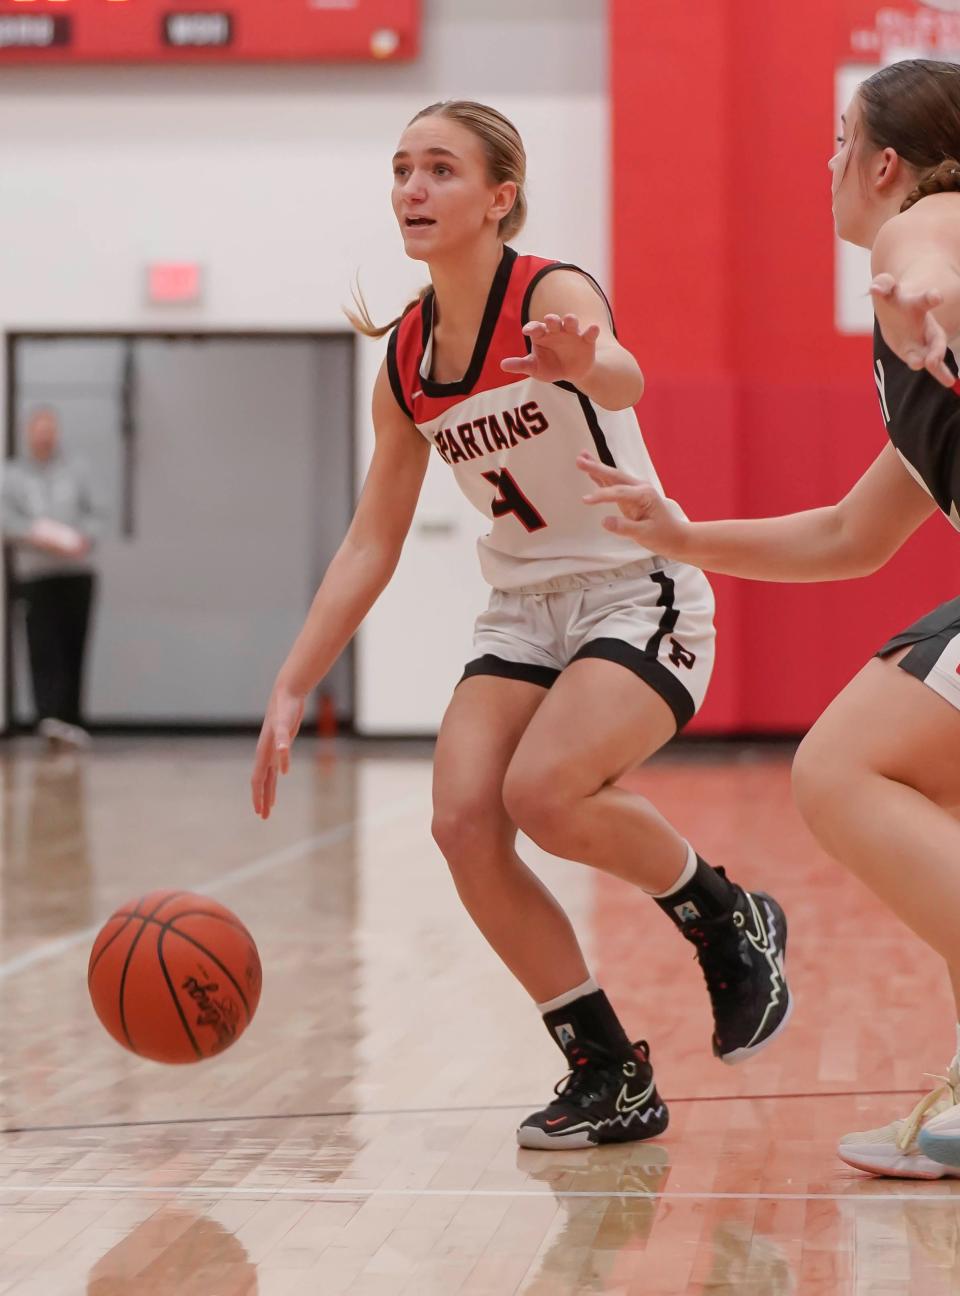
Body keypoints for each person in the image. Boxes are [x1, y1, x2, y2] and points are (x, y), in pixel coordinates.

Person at [251, 100, 792, 1149]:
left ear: (500, 196)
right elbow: (374, 537)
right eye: (403, 169)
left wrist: (585, 361)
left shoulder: (549, 290)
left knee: (542, 792)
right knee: (462, 821)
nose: (413, 188)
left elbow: (627, 377)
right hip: (523, 611)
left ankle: (727, 914)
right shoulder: (406, 355)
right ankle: (606, 1069)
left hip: (638, 587)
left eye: (441, 170)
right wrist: (292, 680)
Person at [577, 59, 960, 1175]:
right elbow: (850, 536)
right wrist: (683, 537)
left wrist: (931, 286)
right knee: (926, 786)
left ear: (885, 163)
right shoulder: (917, 353)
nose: (827, 161)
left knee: (841, 770)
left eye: (842, 138)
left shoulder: (919, 235)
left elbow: (929, 247)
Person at [2, 407, 103, 748]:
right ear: (29, 433)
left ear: (57, 432)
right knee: (43, 648)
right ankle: (49, 719)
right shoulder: (12, 475)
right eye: (38, 429)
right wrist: (34, 534)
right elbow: (6, 520)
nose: (44, 435)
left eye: (50, 429)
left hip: (76, 572)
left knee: (74, 645)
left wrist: (79, 539)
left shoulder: (77, 471)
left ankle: (73, 720)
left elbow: (98, 515)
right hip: (36, 575)